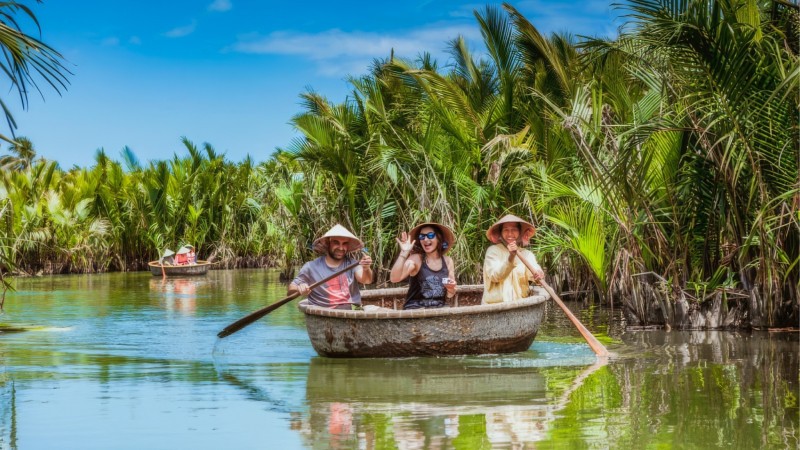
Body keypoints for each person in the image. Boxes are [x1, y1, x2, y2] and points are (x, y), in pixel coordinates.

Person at [289, 224, 373, 310]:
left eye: (344, 243)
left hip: (350, 311)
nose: (341, 248)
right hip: (322, 312)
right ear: (328, 243)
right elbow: (291, 289)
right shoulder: (311, 267)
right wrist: (299, 289)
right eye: (336, 242)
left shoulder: (352, 263)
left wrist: (366, 269)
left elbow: (366, 280)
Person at [390, 222, 457, 309]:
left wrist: (451, 288)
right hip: (415, 311)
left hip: (439, 310)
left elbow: (450, 294)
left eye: (430, 235)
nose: (425, 239)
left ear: (439, 238)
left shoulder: (448, 261)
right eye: (422, 236)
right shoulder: (416, 259)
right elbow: (394, 278)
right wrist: (403, 253)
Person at [483, 214, 545, 304]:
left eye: (514, 230)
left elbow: (534, 272)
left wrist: (538, 275)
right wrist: (511, 257)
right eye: (506, 230)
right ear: (500, 233)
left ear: (520, 232)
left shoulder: (526, 254)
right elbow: (495, 276)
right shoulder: (493, 251)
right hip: (495, 305)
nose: (510, 234)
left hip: (520, 303)